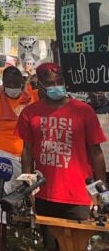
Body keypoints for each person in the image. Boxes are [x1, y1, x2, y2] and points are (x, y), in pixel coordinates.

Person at [16, 62, 107, 251]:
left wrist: (101, 192)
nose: (56, 86)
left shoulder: (84, 111)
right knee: (51, 246)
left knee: (78, 246)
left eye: (60, 81)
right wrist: (28, 187)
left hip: (79, 195)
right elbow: (27, 151)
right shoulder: (29, 113)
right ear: (40, 84)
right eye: (50, 83)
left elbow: (96, 152)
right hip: (45, 194)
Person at [0, 66, 36, 242]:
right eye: (9, 83)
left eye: (16, 82)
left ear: (22, 82)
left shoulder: (32, 99)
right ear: (3, 84)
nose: (13, 86)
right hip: (2, 157)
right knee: (0, 201)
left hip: (29, 158)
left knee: (30, 198)